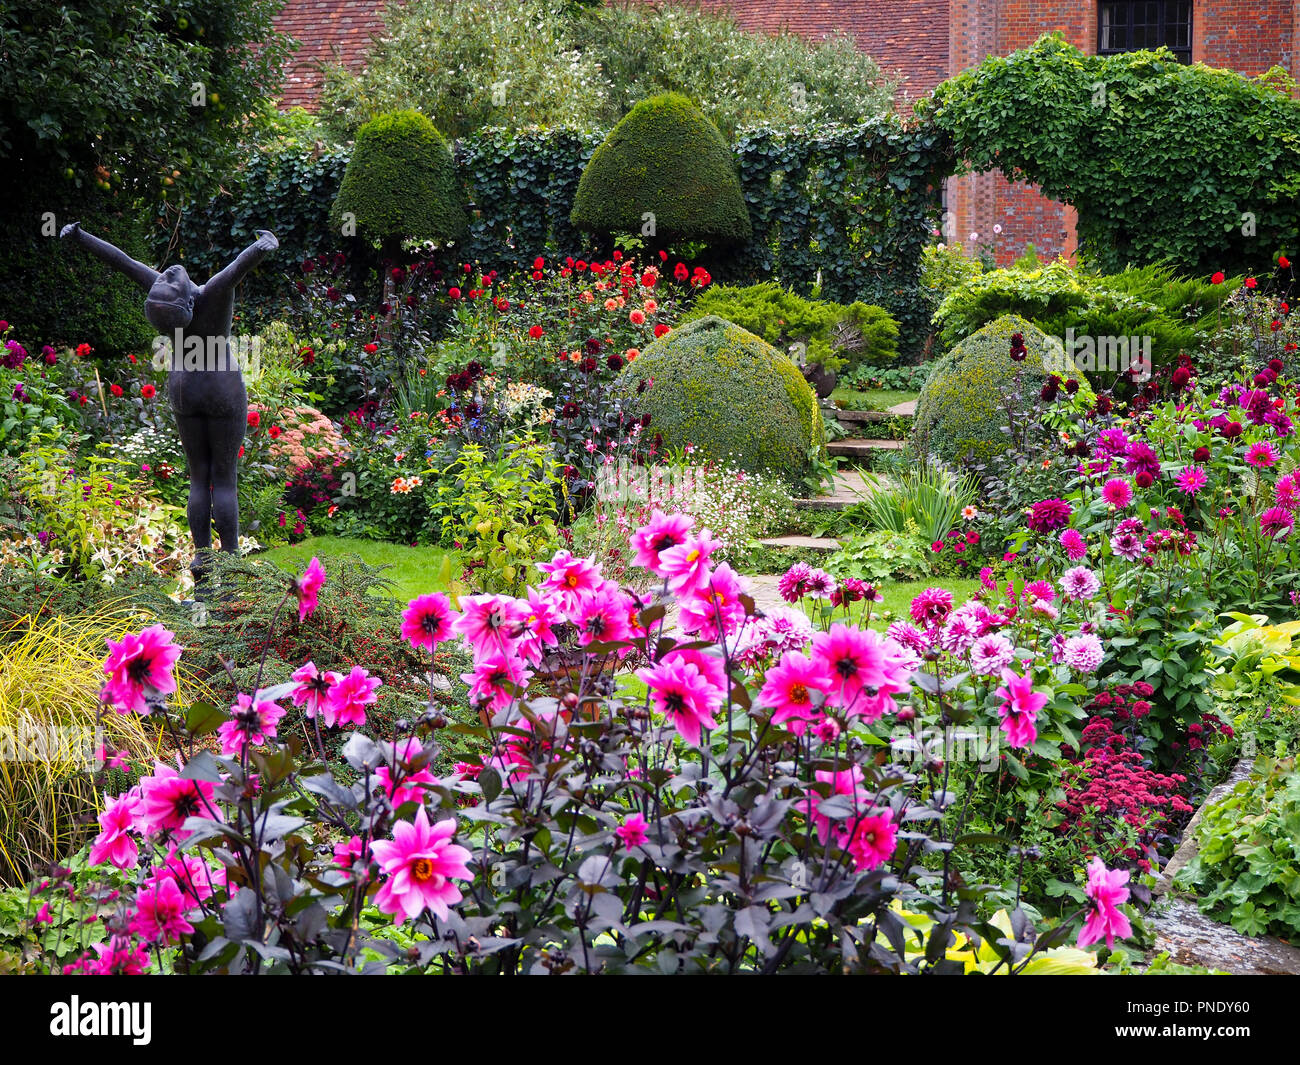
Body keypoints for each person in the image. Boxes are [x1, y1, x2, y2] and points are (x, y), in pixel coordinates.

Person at [61, 223, 278, 589]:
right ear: (187, 303)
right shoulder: (213, 291)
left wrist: (80, 237)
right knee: (223, 478)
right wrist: (265, 244)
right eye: (168, 281)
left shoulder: (166, 294)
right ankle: (231, 568)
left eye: (163, 280)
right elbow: (243, 263)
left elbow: (122, 260)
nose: (167, 274)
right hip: (221, 387)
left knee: (198, 477)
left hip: (184, 389)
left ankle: (203, 563)